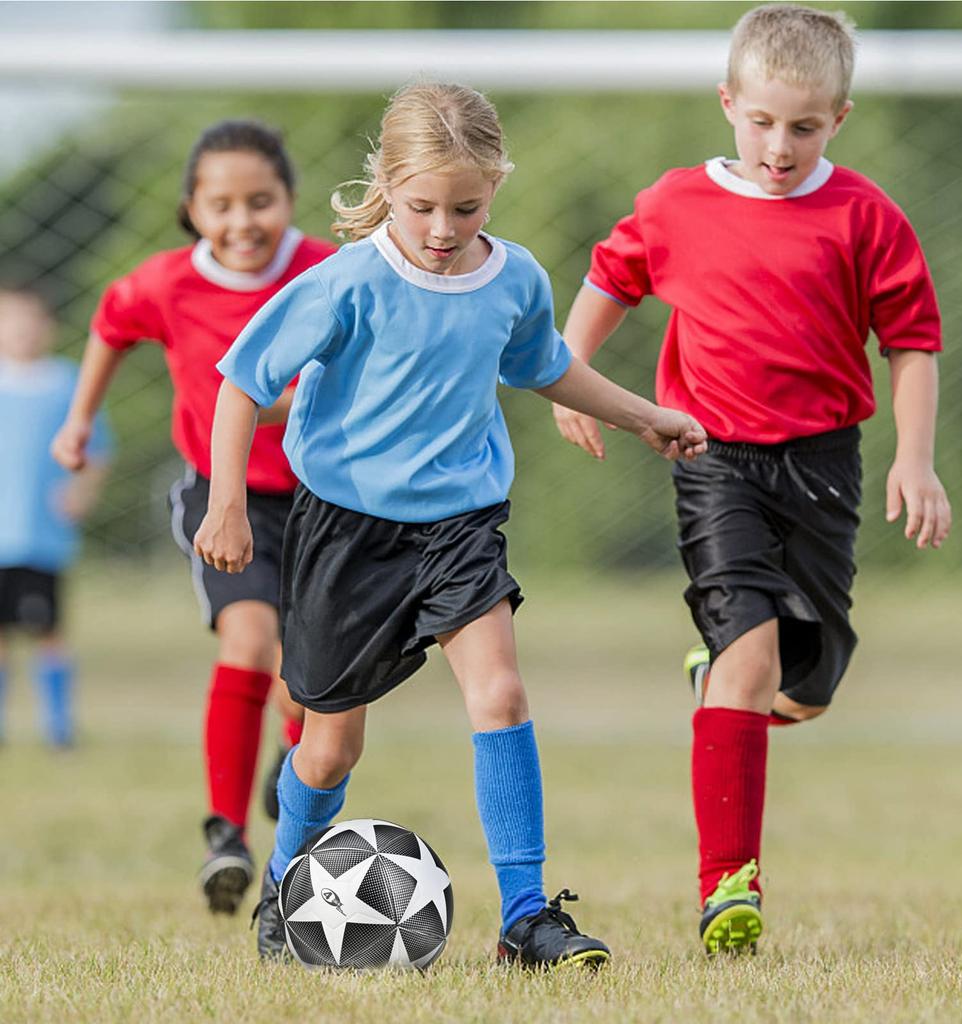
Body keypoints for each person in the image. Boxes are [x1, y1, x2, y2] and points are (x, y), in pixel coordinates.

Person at [193, 82, 707, 966]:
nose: (442, 227)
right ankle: (283, 886)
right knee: (328, 746)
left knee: (501, 695)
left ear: (495, 188)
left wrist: (643, 415)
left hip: (460, 527)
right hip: (345, 533)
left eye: (465, 207)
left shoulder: (513, 278)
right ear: (388, 184)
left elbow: (545, 365)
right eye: (423, 205)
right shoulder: (346, 281)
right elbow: (241, 381)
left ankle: (525, 916)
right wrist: (229, 502)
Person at [553, 4, 951, 955]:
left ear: (838, 119)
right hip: (711, 457)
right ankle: (728, 885)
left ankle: (728, 678)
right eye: (763, 120)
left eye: (805, 127)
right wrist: (572, 376)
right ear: (729, 103)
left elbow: (912, 343)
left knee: (805, 686)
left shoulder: (864, 217)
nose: (780, 145)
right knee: (751, 662)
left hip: (824, 465)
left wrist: (915, 456)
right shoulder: (674, 205)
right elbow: (611, 278)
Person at [50, 120, 335, 916]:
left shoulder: (329, 272)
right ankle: (226, 835)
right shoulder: (165, 283)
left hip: (331, 500)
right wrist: (79, 420)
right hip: (226, 496)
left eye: (260, 201)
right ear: (192, 210)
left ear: (289, 200)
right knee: (250, 642)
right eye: (221, 205)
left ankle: (293, 765)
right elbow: (110, 326)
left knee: (312, 676)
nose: (242, 221)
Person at [0, 286, 110, 747]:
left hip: (42, 537)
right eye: (11, 322)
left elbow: (98, 448)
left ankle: (59, 727)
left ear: (49, 327)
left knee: (48, 631)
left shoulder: (67, 383)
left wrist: (82, 491)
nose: (22, 332)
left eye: (31, 321)